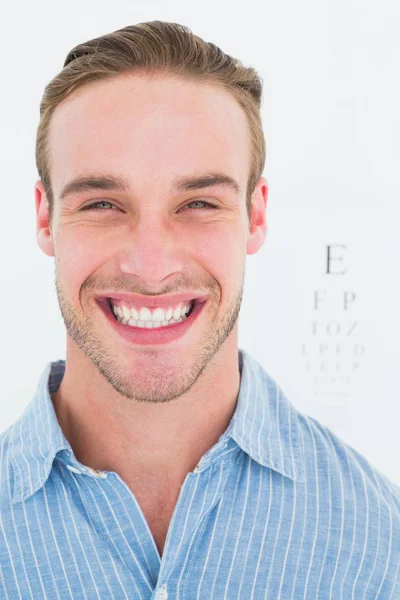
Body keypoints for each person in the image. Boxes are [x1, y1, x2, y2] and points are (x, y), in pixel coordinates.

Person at [0, 21, 399, 600]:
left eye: (198, 203)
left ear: (255, 216)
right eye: (104, 203)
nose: (151, 266)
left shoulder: (379, 548)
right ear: (45, 219)